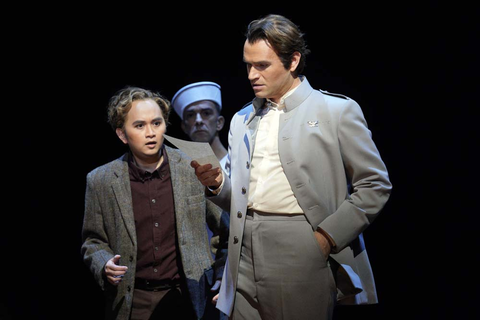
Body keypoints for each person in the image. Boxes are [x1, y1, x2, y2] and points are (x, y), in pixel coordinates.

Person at [191, 14, 392, 320]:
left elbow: (374, 185)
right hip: (242, 249)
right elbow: (241, 199)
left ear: (293, 60)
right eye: (248, 65)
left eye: (262, 65)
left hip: (300, 246)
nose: (251, 75)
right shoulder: (240, 120)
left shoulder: (336, 110)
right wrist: (218, 185)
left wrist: (327, 238)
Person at [81, 86, 228, 320]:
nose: (150, 132)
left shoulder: (194, 168)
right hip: (132, 301)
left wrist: (222, 277)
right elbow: (92, 240)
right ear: (122, 134)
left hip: (188, 297)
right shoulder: (102, 180)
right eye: (139, 125)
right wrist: (103, 262)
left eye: (156, 123)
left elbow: (226, 229)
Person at [172, 81, 229, 173]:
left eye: (206, 113)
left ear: (219, 122)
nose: (198, 120)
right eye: (191, 115)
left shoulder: (239, 163)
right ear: (184, 126)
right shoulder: (180, 171)